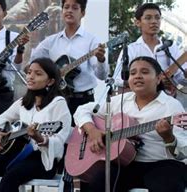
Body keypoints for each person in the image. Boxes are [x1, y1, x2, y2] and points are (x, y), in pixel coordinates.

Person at [74, 56, 187, 191]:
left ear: (158, 79)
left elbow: (182, 153)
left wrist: (169, 138)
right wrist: (92, 131)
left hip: (161, 164)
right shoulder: (119, 100)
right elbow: (82, 110)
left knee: (167, 184)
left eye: (144, 72)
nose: (138, 76)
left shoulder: (172, 106)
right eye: (133, 73)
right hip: (124, 163)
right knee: (98, 180)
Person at [28, 0, 108, 190]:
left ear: (83, 12)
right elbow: (34, 62)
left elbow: (102, 75)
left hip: (83, 101)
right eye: (66, 7)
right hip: (59, 101)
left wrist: (101, 59)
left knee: (83, 148)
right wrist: (55, 72)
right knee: (60, 145)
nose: (69, 11)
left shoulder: (92, 41)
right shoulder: (51, 41)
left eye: (74, 7)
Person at [0, 58, 72, 192]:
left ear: (50, 81)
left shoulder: (58, 104)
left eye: (38, 74)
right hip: (16, 155)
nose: (30, 77)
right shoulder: (24, 102)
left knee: (11, 176)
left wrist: (40, 138)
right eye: (29, 72)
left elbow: (59, 140)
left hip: (42, 160)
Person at [113, 3, 187, 108]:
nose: (154, 22)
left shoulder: (171, 47)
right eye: (148, 18)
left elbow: (181, 78)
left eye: (157, 18)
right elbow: (117, 79)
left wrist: (183, 75)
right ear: (138, 22)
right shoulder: (131, 50)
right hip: (138, 105)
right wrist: (147, 83)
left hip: (166, 104)